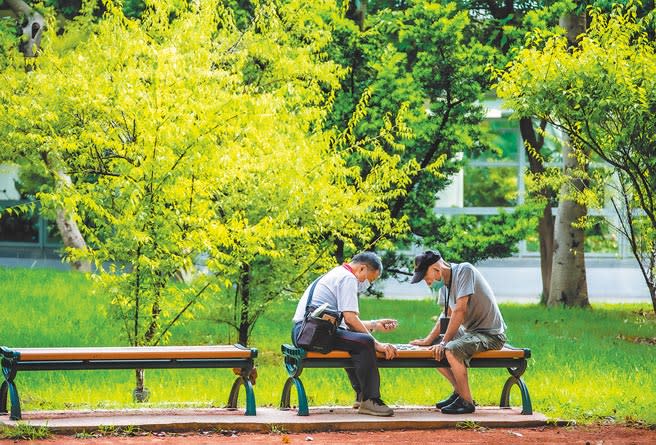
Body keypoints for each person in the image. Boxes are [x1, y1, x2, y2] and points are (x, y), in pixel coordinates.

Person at [291, 251, 399, 416]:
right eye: (370, 278)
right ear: (362, 268)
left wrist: (376, 325)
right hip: (311, 333)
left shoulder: (337, 273)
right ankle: (370, 400)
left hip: (304, 331)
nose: (367, 283)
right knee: (365, 343)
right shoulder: (348, 278)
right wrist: (377, 344)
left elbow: (346, 323)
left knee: (356, 341)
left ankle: (361, 395)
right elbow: (350, 319)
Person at [409, 250, 506, 414]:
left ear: (436, 269)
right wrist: (428, 340)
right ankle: (459, 392)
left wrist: (444, 343)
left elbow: (459, 311)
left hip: (491, 335)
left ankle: (466, 402)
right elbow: (446, 314)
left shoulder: (464, 271)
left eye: (426, 278)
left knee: (450, 349)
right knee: (432, 347)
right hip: (471, 333)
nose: (427, 282)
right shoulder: (444, 284)